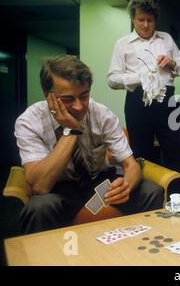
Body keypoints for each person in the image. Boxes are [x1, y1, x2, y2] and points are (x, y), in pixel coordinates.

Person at [15, 55, 164, 234]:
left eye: (84, 96)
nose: (79, 107)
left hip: (98, 183)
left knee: (151, 190)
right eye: (68, 99)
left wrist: (126, 185)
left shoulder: (102, 114)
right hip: (59, 189)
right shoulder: (29, 121)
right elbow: (40, 186)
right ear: (48, 96)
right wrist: (72, 131)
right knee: (39, 207)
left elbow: (131, 165)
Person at [107, 0, 180, 192]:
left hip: (167, 102)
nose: (145, 25)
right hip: (137, 102)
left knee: (175, 152)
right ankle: (148, 201)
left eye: (149, 20)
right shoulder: (122, 44)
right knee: (142, 154)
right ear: (133, 19)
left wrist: (172, 63)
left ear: (155, 20)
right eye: (140, 20)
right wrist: (138, 77)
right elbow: (111, 80)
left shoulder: (167, 39)